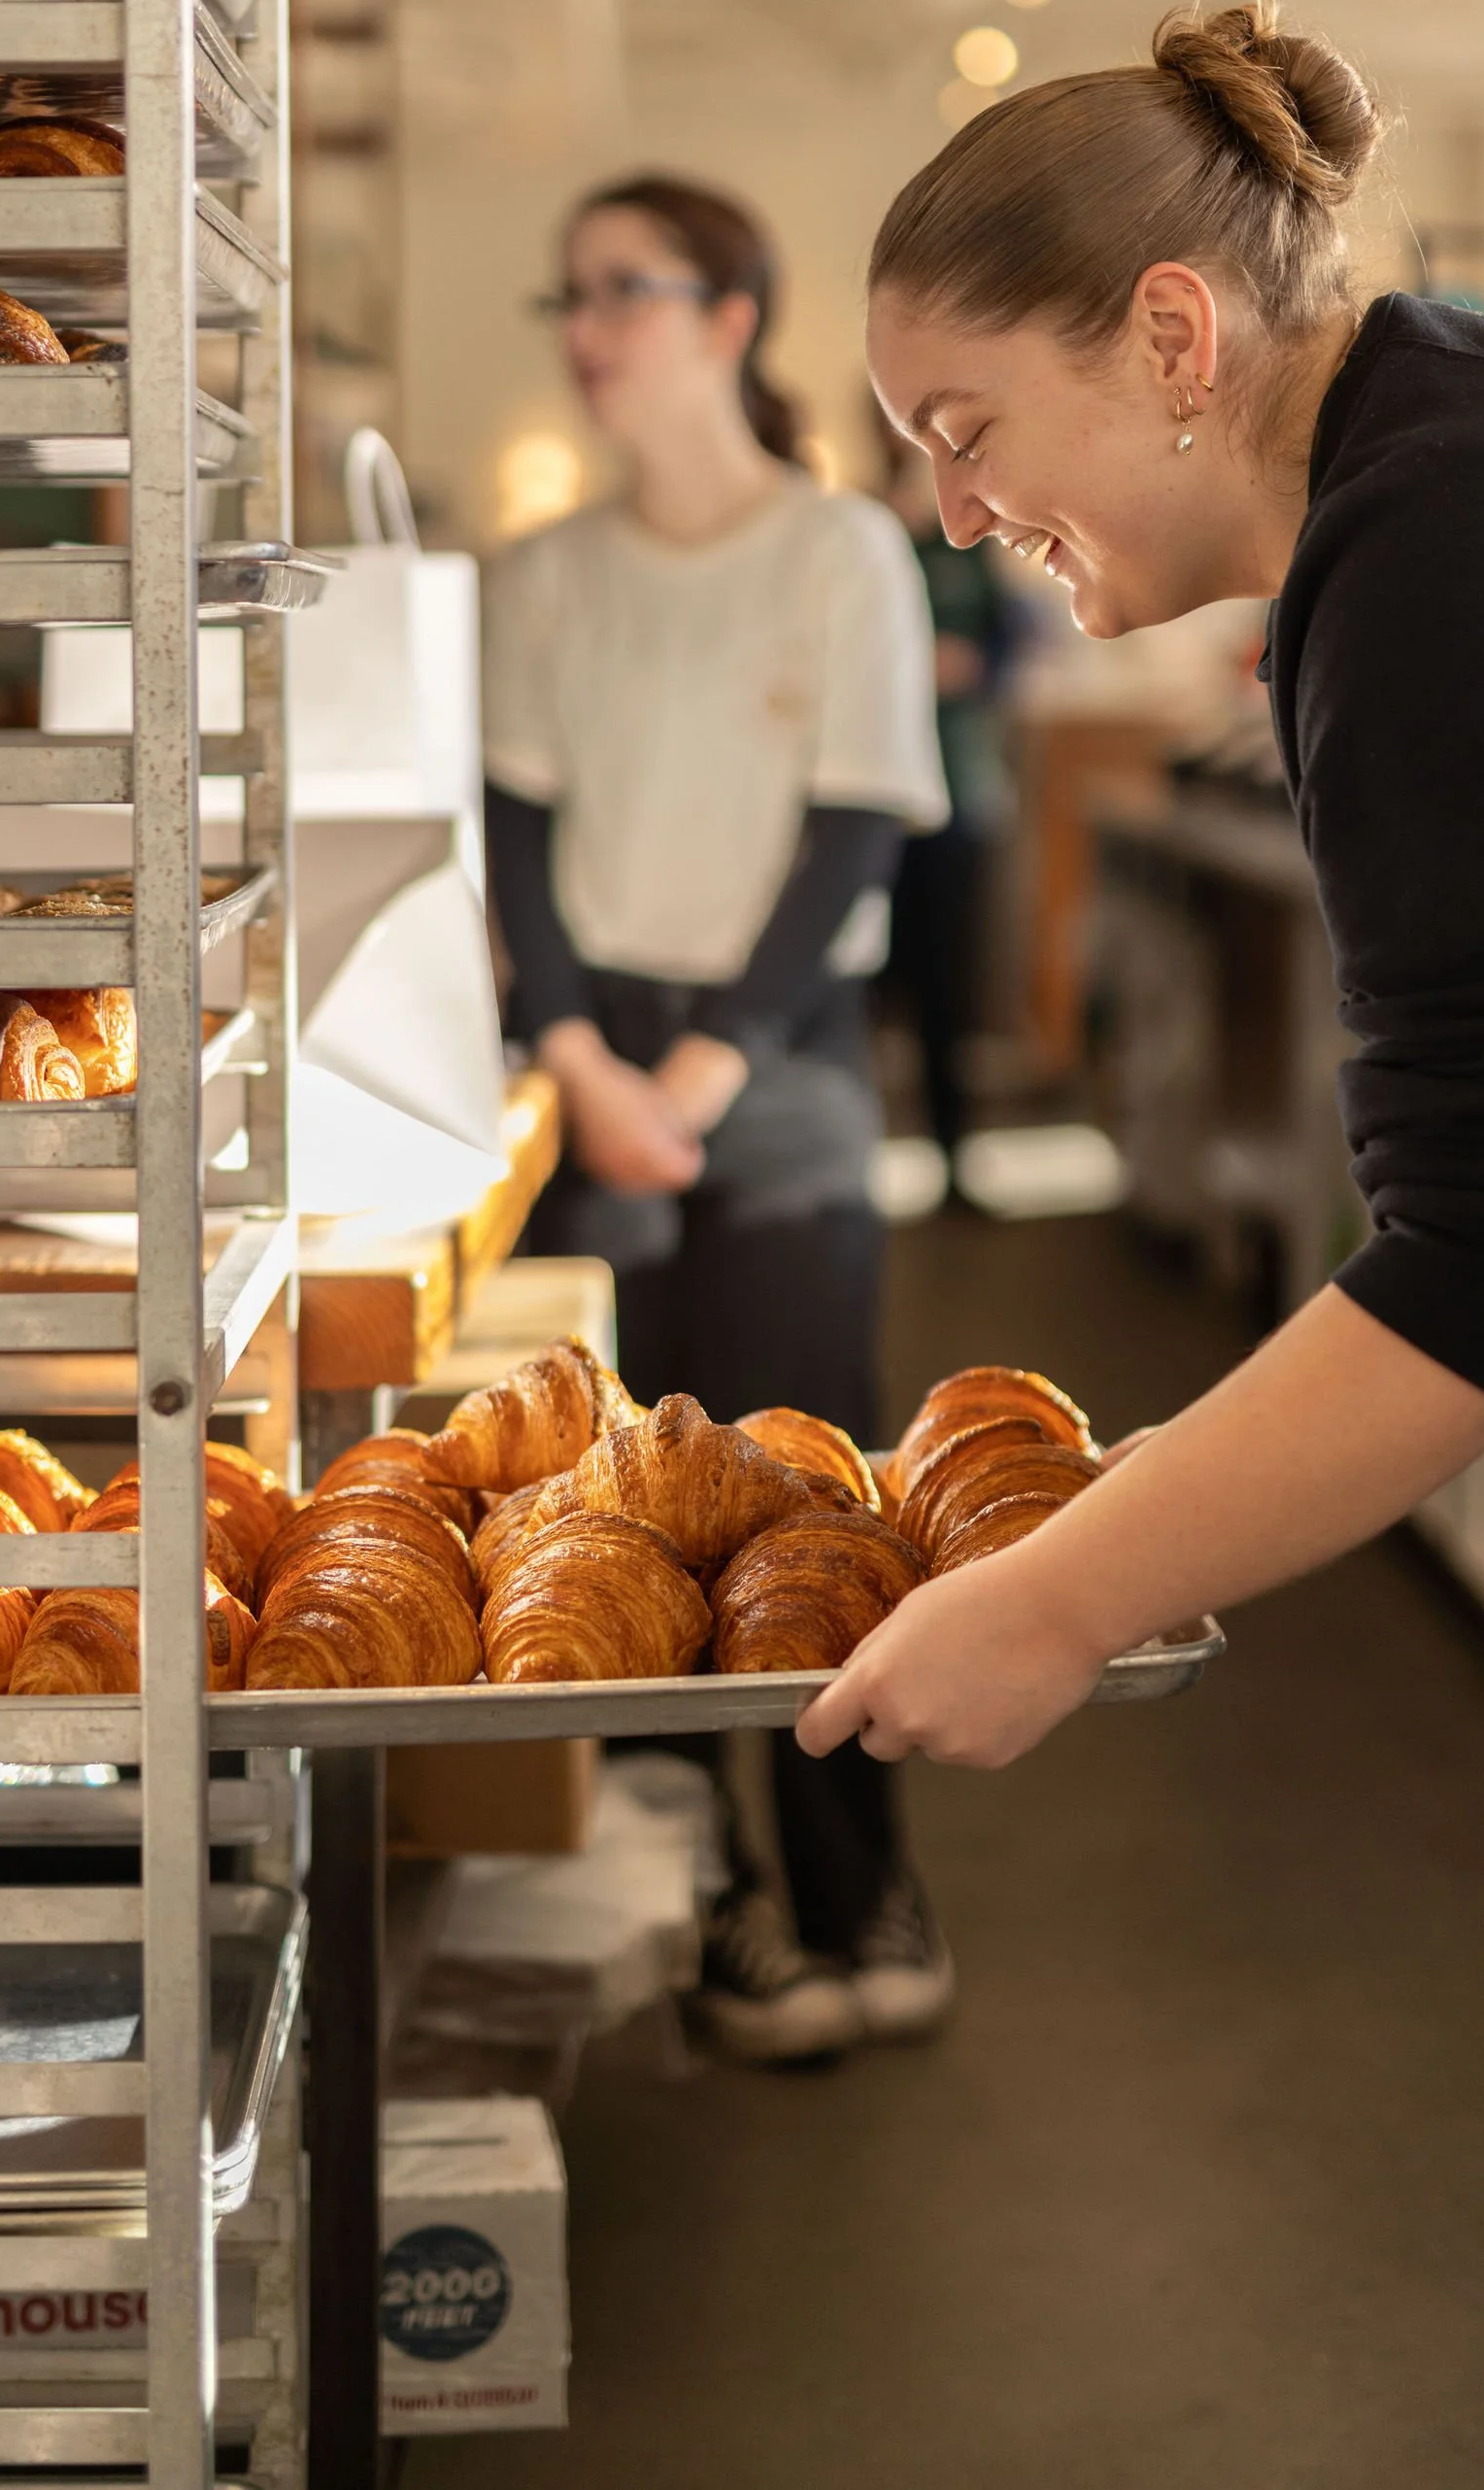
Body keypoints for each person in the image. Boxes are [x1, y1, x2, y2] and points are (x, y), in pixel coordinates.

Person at [794, 0, 1484, 2481]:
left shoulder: (1442, 537)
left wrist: (1052, 1591)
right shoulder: (1469, 437)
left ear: (1169, 337)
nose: (951, 513)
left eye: (964, 432)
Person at [482, 171, 951, 2061]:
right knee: (629, 1499)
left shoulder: (840, 549)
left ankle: (862, 1874)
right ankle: (714, 1892)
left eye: (627, 289)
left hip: (781, 1056)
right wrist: (584, 1061)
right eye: (573, 292)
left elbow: (853, 823)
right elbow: (511, 851)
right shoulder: (545, 577)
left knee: (801, 1480)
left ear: (731, 315)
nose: (588, 326)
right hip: (588, 1057)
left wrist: (710, 1066)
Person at [872, 403, 1030, 1171]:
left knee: (950, 984)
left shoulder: (966, 539)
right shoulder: (867, 533)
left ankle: (953, 1152)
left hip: (962, 786)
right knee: (873, 980)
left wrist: (976, 667)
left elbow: (1013, 637)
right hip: (877, 799)